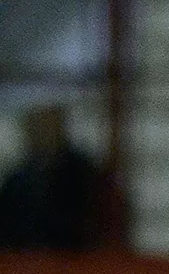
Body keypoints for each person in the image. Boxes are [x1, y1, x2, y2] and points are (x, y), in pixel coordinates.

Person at [0, 103, 103, 251]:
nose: (42, 132)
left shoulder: (82, 174)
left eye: (47, 125)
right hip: (24, 260)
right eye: (36, 126)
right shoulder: (17, 180)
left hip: (73, 261)